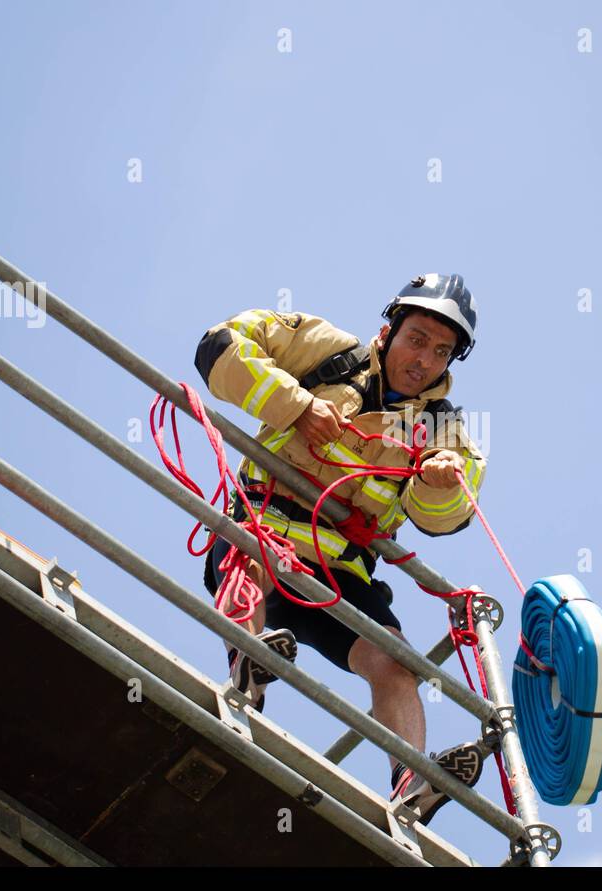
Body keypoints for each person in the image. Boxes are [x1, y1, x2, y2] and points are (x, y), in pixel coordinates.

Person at [194, 273, 487, 824]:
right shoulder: (329, 352)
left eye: (442, 351)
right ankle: (247, 675)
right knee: (251, 560)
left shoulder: (443, 431)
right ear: (389, 330)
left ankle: (410, 783)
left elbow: (449, 516)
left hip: (340, 574)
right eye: (417, 339)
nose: (425, 359)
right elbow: (220, 345)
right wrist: (296, 405)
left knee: (397, 664)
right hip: (263, 526)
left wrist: (439, 483)